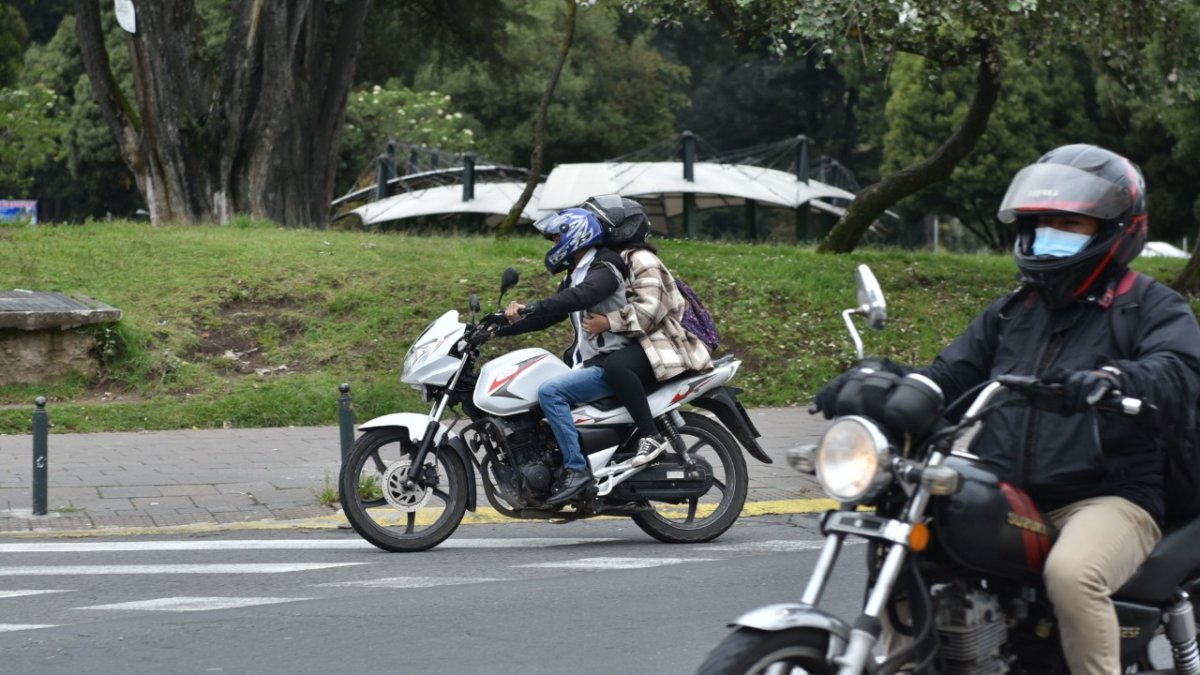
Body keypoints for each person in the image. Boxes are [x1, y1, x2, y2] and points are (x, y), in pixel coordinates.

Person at [814, 144, 1200, 675]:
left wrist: (1113, 381)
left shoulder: (1151, 305)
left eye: (1069, 224)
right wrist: (881, 383)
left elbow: (1178, 368)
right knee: (915, 547)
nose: (1049, 235)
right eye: (1041, 224)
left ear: (1117, 229)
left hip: (1108, 496)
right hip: (1011, 490)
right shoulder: (1015, 311)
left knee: (1072, 575)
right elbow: (948, 375)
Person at [494, 207, 631, 505]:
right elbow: (550, 314)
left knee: (551, 392)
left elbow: (582, 296)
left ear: (577, 235)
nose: (554, 244)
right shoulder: (576, 273)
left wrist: (533, 306)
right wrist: (499, 328)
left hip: (613, 362)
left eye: (557, 237)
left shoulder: (605, 266)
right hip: (589, 363)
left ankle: (577, 470)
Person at [581, 231, 713, 467]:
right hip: (647, 342)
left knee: (617, 367)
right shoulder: (616, 259)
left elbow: (651, 310)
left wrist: (609, 322)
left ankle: (650, 435)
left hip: (667, 343)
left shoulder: (641, 258)